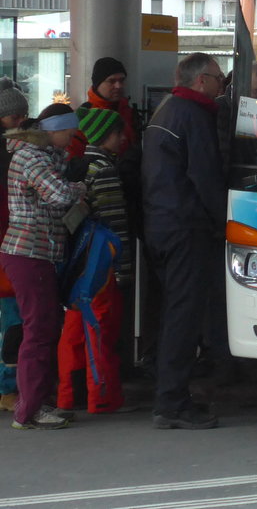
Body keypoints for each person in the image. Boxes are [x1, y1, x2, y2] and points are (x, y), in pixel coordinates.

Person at [140, 53, 226, 430]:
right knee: (184, 317)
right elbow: (205, 176)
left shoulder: (166, 110)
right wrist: (225, 222)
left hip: (159, 224)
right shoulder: (194, 114)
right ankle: (172, 403)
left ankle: (167, 392)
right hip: (186, 228)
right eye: (219, 78)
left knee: (170, 312)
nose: (223, 84)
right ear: (201, 80)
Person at [1, 103, 87, 430]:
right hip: (29, 253)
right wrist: (80, 188)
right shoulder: (32, 157)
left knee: (45, 329)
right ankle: (29, 412)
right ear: (53, 131)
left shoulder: (41, 155)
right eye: (69, 133)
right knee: (38, 331)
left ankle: (38, 402)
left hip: (37, 253)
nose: (72, 139)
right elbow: (60, 196)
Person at [56, 106, 132, 414]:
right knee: (100, 330)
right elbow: (116, 224)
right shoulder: (104, 170)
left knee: (73, 333)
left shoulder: (75, 165)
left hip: (76, 264)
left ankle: (66, 397)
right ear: (105, 136)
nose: (123, 138)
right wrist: (123, 271)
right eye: (118, 133)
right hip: (100, 264)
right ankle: (102, 398)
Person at [0, 78, 29, 413]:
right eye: (14, 117)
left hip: (9, 246)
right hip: (10, 247)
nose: (20, 122)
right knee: (13, 320)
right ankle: (9, 388)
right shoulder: (11, 155)